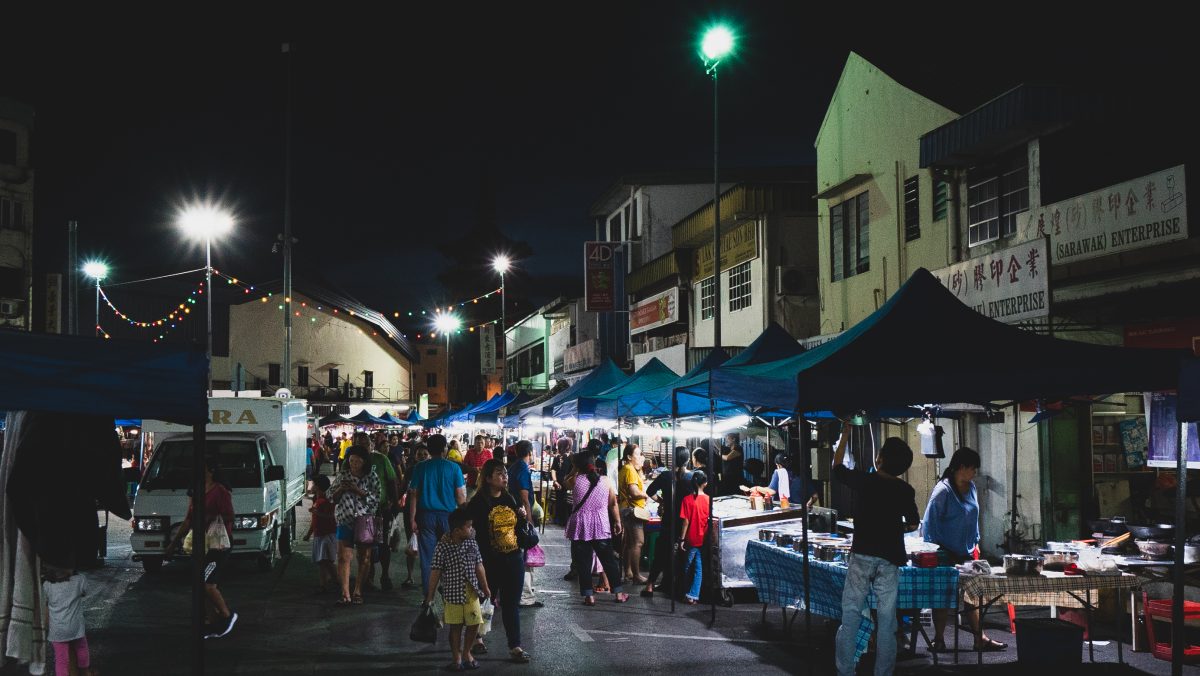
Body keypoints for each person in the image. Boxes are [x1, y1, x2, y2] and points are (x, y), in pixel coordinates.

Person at [832, 421, 919, 676]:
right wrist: (895, 529)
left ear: (879, 459)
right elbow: (913, 523)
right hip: (890, 558)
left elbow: (837, 467)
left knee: (850, 617)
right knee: (887, 622)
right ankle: (883, 673)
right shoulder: (905, 489)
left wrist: (846, 432)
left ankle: (845, 671)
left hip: (862, 555)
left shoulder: (864, 481)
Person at [923, 447, 1002, 652]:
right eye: (972, 467)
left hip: (967, 553)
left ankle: (979, 638)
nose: (975, 471)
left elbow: (974, 517)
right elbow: (929, 524)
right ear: (961, 467)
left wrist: (976, 542)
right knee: (942, 597)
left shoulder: (972, 487)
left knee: (972, 596)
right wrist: (933, 552)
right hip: (943, 552)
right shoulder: (943, 490)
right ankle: (939, 639)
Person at [468, 459, 533, 663]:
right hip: (488, 561)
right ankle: (477, 638)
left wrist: (522, 515)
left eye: (505, 473)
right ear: (488, 478)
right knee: (484, 600)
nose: (505, 476)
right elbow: (470, 532)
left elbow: (519, 528)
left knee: (511, 604)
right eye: (499, 473)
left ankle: (515, 646)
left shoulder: (510, 499)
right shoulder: (477, 502)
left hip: (513, 558)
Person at [164, 456, 237, 638]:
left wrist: (209, 517)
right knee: (200, 585)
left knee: (206, 583)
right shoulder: (196, 491)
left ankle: (227, 615)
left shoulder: (220, 491)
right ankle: (211, 622)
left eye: (202, 468)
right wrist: (173, 544)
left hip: (218, 545)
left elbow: (230, 516)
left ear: (211, 471)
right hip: (201, 544)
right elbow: (188, 519)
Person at [424, 507, 491, 672]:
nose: (472, 529)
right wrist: (430, 595)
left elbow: (479, 566)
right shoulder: (442, 546)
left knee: (474, 623)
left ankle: (467, 652)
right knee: (455, 627)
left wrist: (485, 587)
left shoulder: (472, 543)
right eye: (468, 526)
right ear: (457, 530)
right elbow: (435, 572)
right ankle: (457, 657)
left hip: (472, 594)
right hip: (452, 595)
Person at [565, 450, 627, 605]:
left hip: (580, 525)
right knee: (609, 561)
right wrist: (618, 522)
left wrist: (574, 468)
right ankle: (618, 594)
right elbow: (613, 504)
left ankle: (589, 596)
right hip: (601, 524)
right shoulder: (605, 480)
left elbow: (564, 481)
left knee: (583, 563)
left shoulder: (576, 480)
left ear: (578, 466)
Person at [408, 434, 467, 595]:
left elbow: (414, 494)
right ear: (444, 449)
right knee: (450, 557)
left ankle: (429, 598)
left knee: (428, 559)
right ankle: (450, 595)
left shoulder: (420, 467)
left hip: (425, 516)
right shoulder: (454, 468)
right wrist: (466, 520)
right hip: (448, 518)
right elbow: (461, 498)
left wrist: (412, 519)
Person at [328, 445, 380, 605]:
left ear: (364, 462)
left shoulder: (372, 477)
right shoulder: (343, 475)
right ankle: (345, 593)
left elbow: (376, 498)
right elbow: (331, 496)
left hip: (364, 521)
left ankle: (357, 590)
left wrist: (358, 490)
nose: (354, 464)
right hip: (345, 519)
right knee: (344, 557)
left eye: (357, 461)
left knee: (364, 558)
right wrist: (341, 490)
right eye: (351, 461)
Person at [642, 446, 694, 597]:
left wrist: (663, 502)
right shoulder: (691, 478)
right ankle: (678, 586)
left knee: (661, 553)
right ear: (688, 460)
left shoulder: (665, 476)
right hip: (685, 521)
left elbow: (649, 491)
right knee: (682, 554)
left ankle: (650, 585)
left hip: (668, 520)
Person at [362, 433, 400, 591]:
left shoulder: (381, 459)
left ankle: (385, 575)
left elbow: (392, 482)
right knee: (365, 545)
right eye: (358, 443)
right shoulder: (351, 460)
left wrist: (395, 504)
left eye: (365, 443)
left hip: (381, 509)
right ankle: (368, 576)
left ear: (371, 444)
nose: (363, 446)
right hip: (360, 512)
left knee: (384, 544)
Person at [42, 563, 95, 676]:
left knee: (62, 659)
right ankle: (85, 671)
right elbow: (85, 592)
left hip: (57, 629)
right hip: (75, 627)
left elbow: (46, 607)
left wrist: (47, 624)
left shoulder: (47, 585)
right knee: (81, 647)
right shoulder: (79, 580)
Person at [677, 470, 711, 605]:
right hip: (703, 538)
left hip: (691, 538)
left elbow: (685, 522)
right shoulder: (709, 500)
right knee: (698, 567)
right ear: (705, 484)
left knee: (688, 566)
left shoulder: (687, 499)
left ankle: (689, 593)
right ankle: (692, 594)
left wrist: (682, 539)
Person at [617, 443, 648, 584]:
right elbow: (634, 492)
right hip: (632, 510)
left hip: (625, 509)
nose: (641, 457)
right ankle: (636, 575)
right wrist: (645, 495)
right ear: (629, 456)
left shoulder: (627, 469)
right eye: (638, 454)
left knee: (629, 542)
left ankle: (628, 572)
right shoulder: (629, 470)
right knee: (638, 542)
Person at [303, 475, 337, 592]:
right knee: (323, 561)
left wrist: (317, 512)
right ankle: (325, 584)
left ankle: (336, 581)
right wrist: (309, 534)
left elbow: (331, 517)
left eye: (313, 484)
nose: (311, 486)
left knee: (325, 561)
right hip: (320, 534)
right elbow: (314, 520)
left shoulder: (326, 500)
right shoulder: (318, 500)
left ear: (317, 486)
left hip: (327, 534)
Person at [549, 438, 573, 526]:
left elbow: (574, 471)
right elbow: (553, 470)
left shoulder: (571, 456)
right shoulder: (557, 457)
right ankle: (559, 520)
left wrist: (568, 480)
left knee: (567, 502)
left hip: (568, 484)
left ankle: (566, 521)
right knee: (559, 501)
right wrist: (555, 481)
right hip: (559, 482)